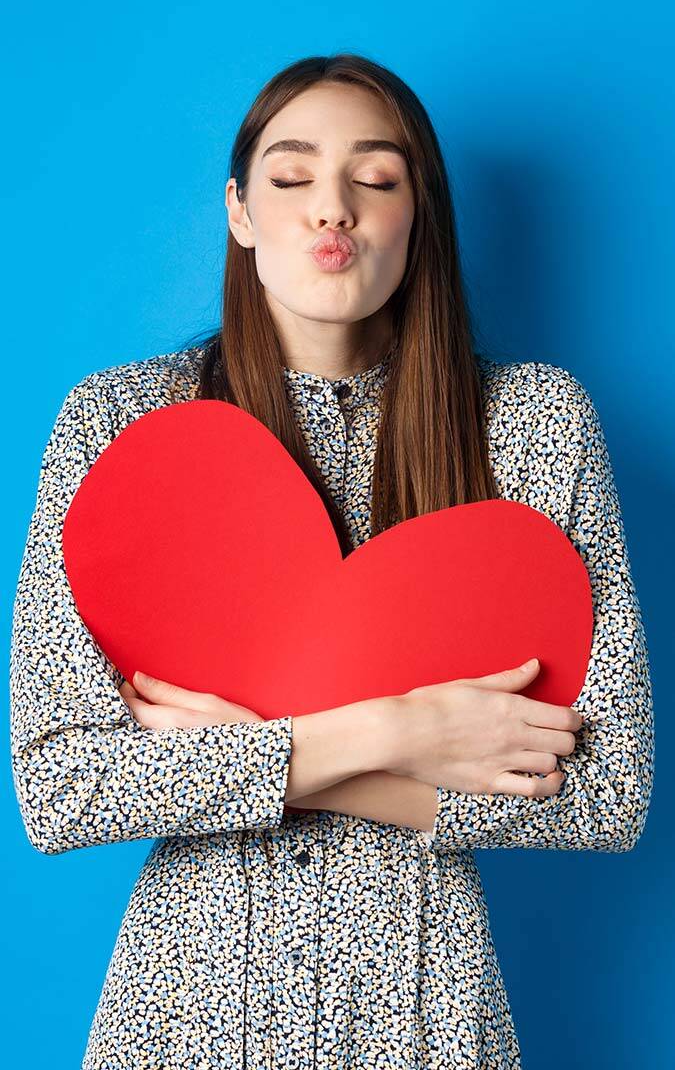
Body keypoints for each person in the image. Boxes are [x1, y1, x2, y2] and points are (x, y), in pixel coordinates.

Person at [10, 53, 654, 1069]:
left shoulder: (534, 428)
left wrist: (258, 751)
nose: (334, 210)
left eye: (378, 179)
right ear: (238, 211)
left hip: (425, 1010)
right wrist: (408, 732)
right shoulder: (121, 424)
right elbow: (64, 784)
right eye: (292, 174)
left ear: (420, 215)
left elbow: (611, 794)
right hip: (190, 1009)